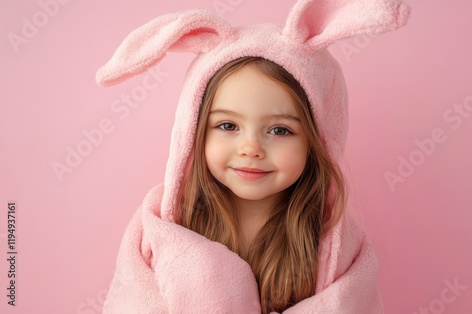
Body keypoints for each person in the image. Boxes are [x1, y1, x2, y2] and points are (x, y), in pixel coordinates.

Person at [95, 0, 411, 313]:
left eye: (279, 130)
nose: (251, 148)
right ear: (194, 133)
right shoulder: (161, 226)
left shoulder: (337, 246)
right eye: (228, 125)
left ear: (318, 141)